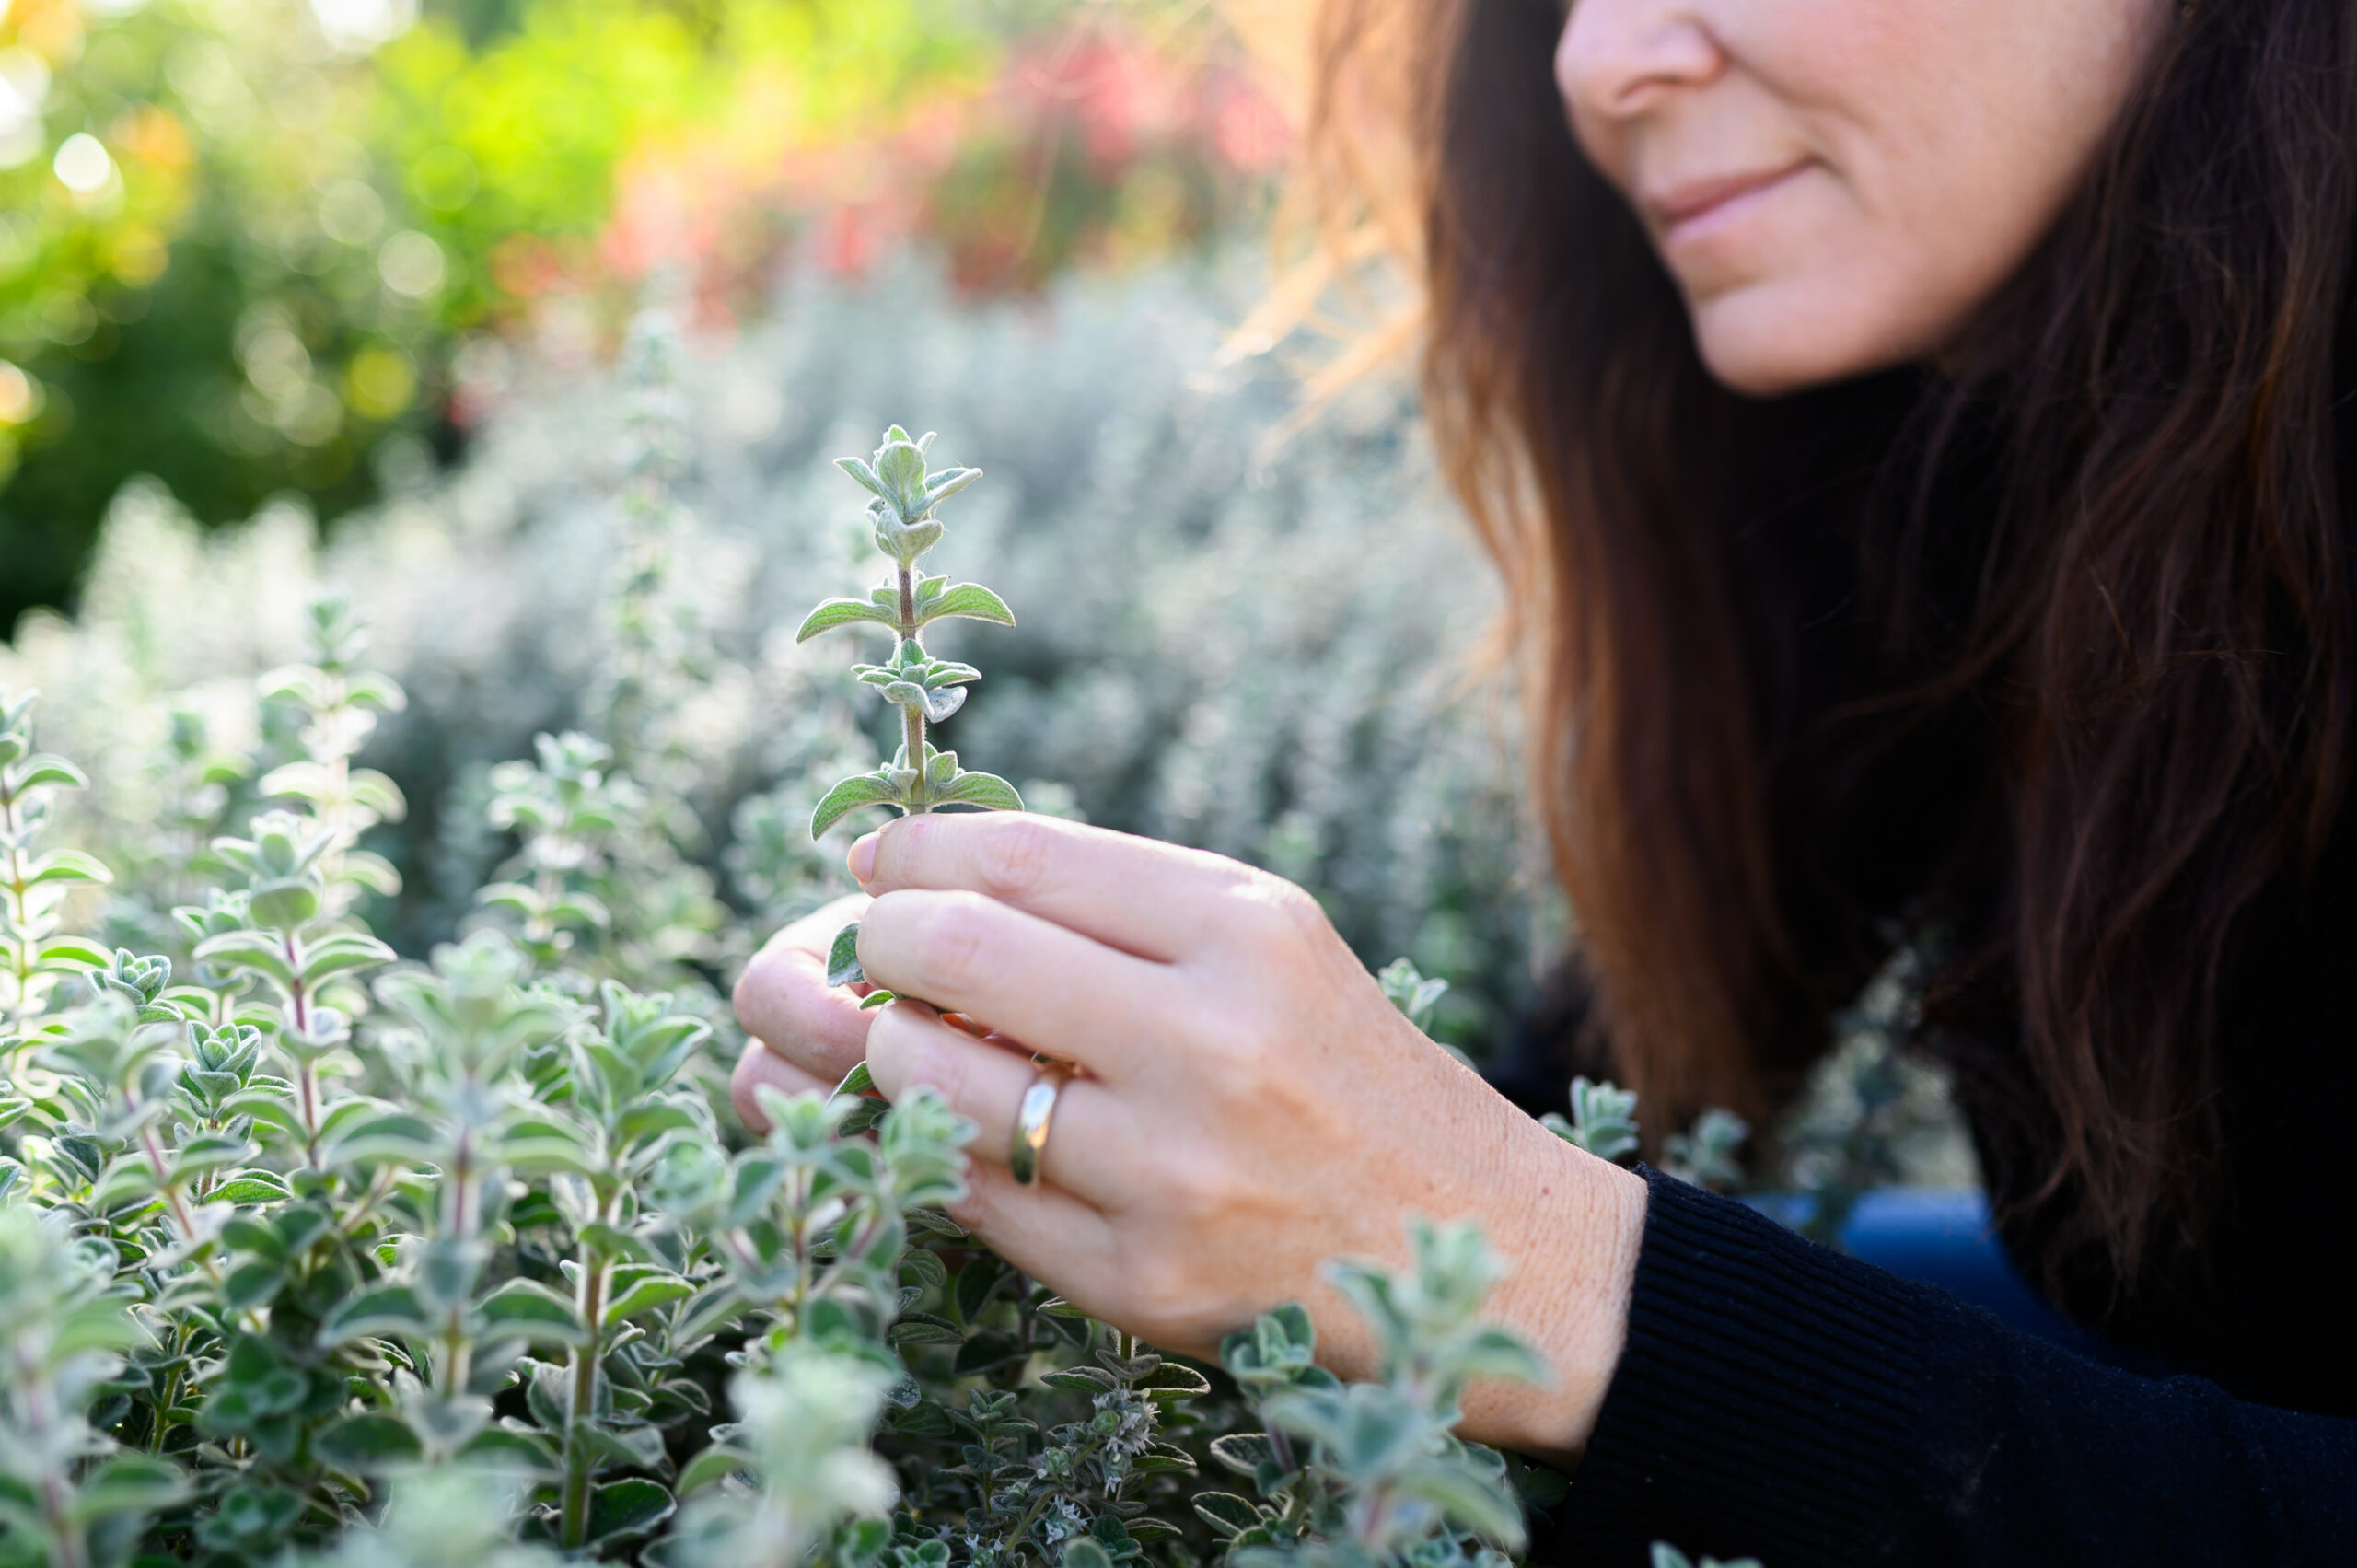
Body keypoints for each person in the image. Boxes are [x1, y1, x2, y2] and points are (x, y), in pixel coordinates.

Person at [733, 0, 2357, 1559]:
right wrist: (1116, 1118)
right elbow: (1566, 1122)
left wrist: (1547, 1276)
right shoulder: (1917, 443)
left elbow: (1548, 1241)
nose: (1597, 61)